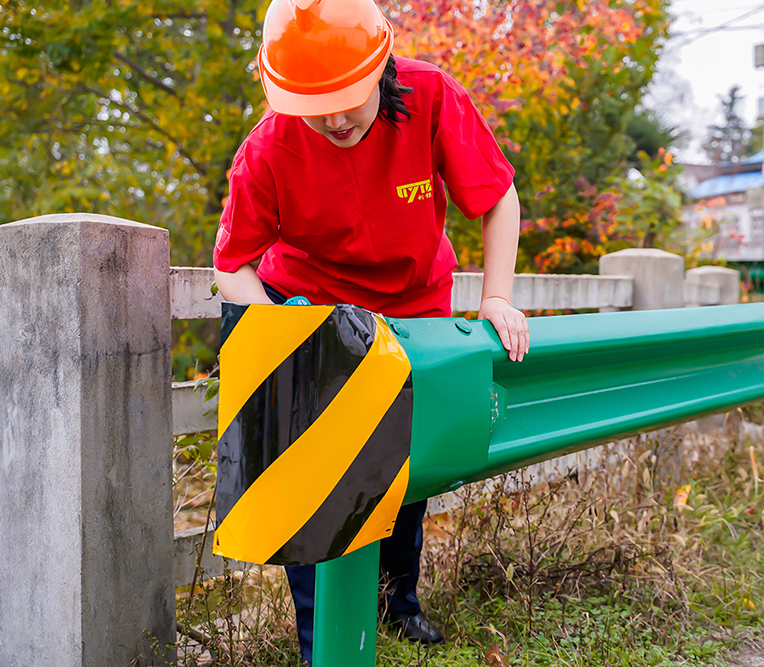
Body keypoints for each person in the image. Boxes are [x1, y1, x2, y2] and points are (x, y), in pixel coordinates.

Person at [212, 0, 529, 661]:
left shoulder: (433, 95)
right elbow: (231, 267)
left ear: (382, 67)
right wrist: (287, 323)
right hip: (315, 317)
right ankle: (320, 638)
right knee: (316, 485)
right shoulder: (268, 148)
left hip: (415, 311)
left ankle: (397, 607)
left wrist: (497, 296)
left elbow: (496, 196)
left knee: (403, 473)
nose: (332, 118)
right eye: (313, 103)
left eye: (346, 99)